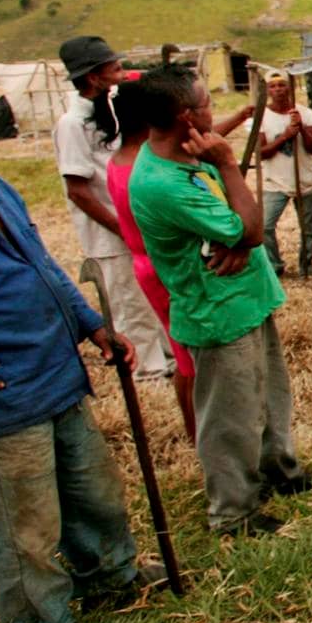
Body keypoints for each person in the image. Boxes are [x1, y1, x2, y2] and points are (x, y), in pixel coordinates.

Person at [0, 80, 160, 623]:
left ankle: (110, 578)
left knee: (91, 491)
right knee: (23, 522)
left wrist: (91, 324)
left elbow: (41, 263)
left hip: (56, 374)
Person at [130, 65, 312, 537]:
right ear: (185, 115)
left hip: (245, 298)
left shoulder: (191, 157)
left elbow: (240, 225)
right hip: (216, 312)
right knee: (230, 419)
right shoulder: (161, 182)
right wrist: (231, 169)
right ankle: (234, 512)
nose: (215, 109)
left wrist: (239, 233)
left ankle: (281, 473)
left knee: (270, 399)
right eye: (205, 102)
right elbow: (251, 227)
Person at [53, 36, 172, 381]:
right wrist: (120, 226)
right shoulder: (72, 125)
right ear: (93, 77)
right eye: (116, 69)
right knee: (129, 305)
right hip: (110, 236)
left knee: (149, 297)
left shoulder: (109, 113)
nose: (122, 74)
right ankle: (148, 372)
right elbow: (78, 190)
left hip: (133, 227)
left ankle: (166, 361)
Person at [105, 79, 197, 442]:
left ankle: (196, 432)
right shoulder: (141, 170)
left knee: (184, 356)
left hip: (150, 264)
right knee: (188, 362)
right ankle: (196, 434)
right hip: (162, 267)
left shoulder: (123, 158)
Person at [256, 70, 312, 279]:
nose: (278, 90)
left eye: (282, 85)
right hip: (275, 182)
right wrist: (285, 136)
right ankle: (275, 266)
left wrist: (301, 127)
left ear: (290, 87)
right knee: (265, 226)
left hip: (306, 180)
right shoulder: (262, 117)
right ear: (267, 90)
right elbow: (261, 153)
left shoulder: (304, 113)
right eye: (273, 86)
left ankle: (307, 265)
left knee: (309, 229)